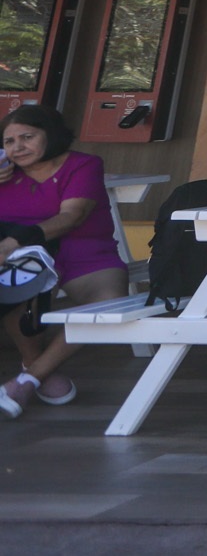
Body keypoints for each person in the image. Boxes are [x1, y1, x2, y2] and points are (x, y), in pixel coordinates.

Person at [0, 104, 126, 417]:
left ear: (51, 135)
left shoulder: (83, 165)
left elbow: (72, 216)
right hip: (22, 260)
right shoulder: (5, 174)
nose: (18, 147)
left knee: (107, 303)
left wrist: (15, 241)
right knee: (14, 287)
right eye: (9, 141)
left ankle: (28, 379)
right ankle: (35, 371)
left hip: (83, 251)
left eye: (27, 137)